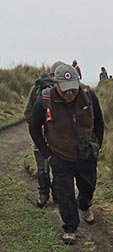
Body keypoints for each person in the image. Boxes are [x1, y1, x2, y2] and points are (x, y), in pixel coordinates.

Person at [29, 64, 104, 245]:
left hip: (86, 155)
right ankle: (70, 227)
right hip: (59, 156)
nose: (70, 93)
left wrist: (97, 146)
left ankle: (85, 205)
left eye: (73, 87)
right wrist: (48, 155)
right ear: (56, 84)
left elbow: (100, 123)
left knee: (88, 187)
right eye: (66, 89)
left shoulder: (88, 95)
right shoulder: (44, 100)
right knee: (65, 194)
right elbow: (34, 129)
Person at [24, 61, 64, 207]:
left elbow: (27, 112)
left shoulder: (38, 89)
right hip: (50, 138)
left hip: (50, 138)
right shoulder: (38, 89)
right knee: (49, 168)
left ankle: (48, 195)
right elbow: (28, 112)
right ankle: (50, 194)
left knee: (49, 168)